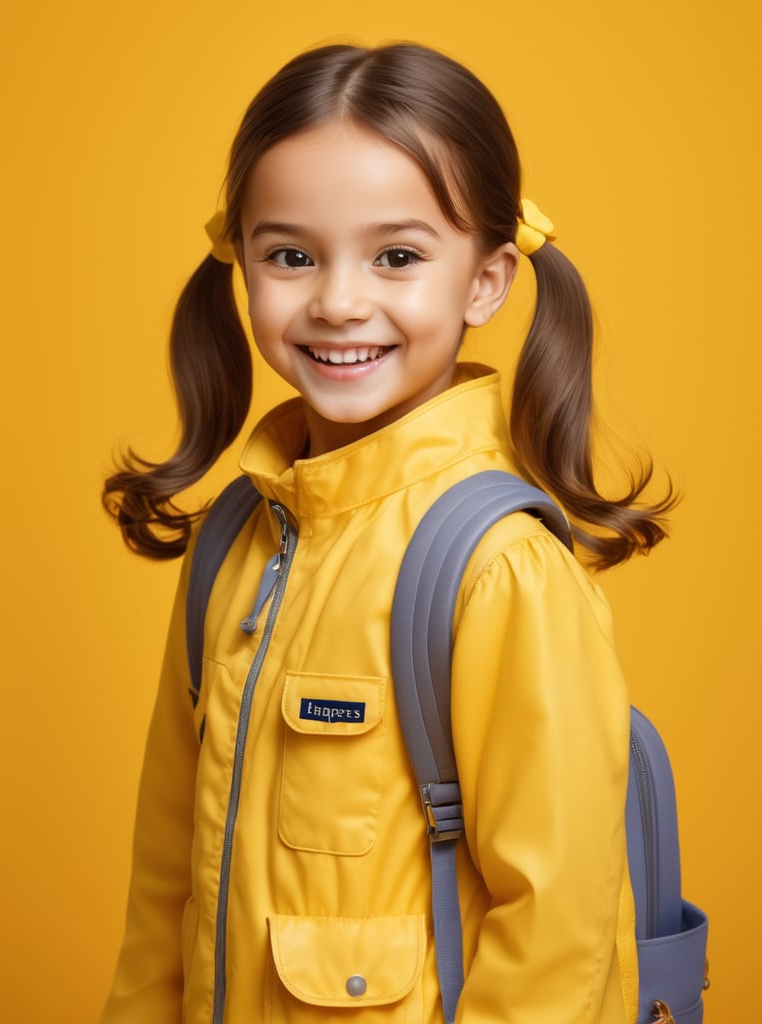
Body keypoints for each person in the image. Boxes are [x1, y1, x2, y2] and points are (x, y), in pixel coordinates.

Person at [100, 42, 674, 1024]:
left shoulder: (497, 570)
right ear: (240, 263)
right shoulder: (234, 540)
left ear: (487, 282)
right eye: (291, 254)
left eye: (396, 256)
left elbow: (560, 941)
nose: (336, 300)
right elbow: (165, 892)